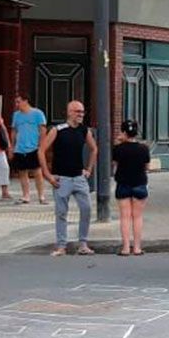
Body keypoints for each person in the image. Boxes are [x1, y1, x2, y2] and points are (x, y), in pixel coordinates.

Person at [40, 100, 98, 256]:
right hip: (61, 178)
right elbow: (41, 150)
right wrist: (47, 174)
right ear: (69, 112)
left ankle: (83, 243)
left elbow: (94, 149)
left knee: (86, 209)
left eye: (82, 112)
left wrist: (89, 169)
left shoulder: (84, 130)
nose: (81, 115)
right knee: (61, 212)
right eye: (78, 111)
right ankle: (61, 246)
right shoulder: (58, 130)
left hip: (79, 177)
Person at [112, 119, 151, 256]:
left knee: (125, 217)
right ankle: (137, 247)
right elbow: (147, 167)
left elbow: (115, 163)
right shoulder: (144, 149)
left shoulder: (117, 149)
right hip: (139, 183)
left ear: (123, 132)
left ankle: (125, 248)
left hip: (123, 184)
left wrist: (119, 141)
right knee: (138, 217)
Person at [10, 95, 48, 204]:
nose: (17, 104)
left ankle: (41, 196)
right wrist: (12, 146)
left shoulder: (37, 113)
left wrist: (41, 145)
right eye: (16, 102)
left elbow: (42, 130)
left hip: (33, 146)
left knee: (37, 171)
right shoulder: (16, 115)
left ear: (25, 101)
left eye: (19, 102)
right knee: (22, 172)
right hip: (20, 148)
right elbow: (14, 131)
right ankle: (26, 195)